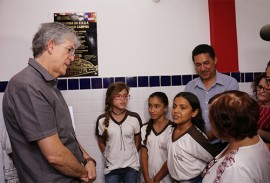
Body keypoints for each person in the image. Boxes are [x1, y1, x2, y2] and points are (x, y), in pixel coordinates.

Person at [2, 22, 96, 183]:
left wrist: (88, 160)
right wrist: (83, 173)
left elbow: (65, 136)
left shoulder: (48, 84)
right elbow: (55, 155)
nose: (72, 58)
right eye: (69, 50)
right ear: (51, 45)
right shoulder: (27, 85)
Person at [202, 90, 270, 183]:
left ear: (224, 126)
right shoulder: (249, 138)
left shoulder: (236, 170)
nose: (210, 125)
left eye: (211, 121)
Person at [185, 44, 239, 151]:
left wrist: (206, 137)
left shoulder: (230, 83)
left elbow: (231, 118)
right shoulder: (189, 87)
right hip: (198, 145)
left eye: (206, 63)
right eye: (198, 64)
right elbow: (188, 116)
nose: (203, 68)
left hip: (225, 144)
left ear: (215, 60)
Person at [156, 92, 219, 183]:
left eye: (182, 108)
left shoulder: (196, 137)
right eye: (174, 106)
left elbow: (216, 160)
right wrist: (156, 179)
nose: (176, 111)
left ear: (194, 112)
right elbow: (172, 158)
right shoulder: (171, 130)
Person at [95, 82, 142, 183]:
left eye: (125, 96)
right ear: (110, 98)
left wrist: (132, 152)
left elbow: (138, 139)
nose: (123, 99)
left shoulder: (134, 117)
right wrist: (107, 155)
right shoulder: (101, 120)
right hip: (111, 169)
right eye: (119, 96)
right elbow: (101, 141)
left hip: (131, 167)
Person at [140, 92, 173, 183]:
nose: (152, 110)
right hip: (147, 179)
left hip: (166, 179)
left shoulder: (173, 129)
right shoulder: (144, 128)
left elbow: (171, 158)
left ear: (165, 108)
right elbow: (143, 155)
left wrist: (156, 179)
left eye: (156, 106)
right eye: (150, 106)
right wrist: (147, 178)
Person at [251, 72, 270, 149]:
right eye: (260, 87)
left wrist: (251, 129)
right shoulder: (251, 105)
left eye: (267, 89)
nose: (261, 91)